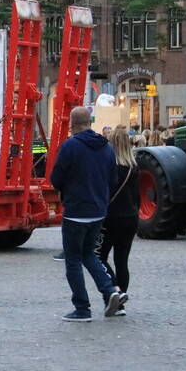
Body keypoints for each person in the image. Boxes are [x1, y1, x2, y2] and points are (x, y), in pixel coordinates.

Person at [49, 107, 126, 322]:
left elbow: (56, 179)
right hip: (98, 210)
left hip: (75, 211)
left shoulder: (70, 146)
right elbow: (113, 180)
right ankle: (110, 290)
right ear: (90, 122)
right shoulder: (107, 147)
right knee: (89, 255)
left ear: (72, 123)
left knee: (73, 259)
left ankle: (82, 308)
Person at [98, 127, 140, 316]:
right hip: (130, 218)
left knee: (99, 257)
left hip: (110, 217)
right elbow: (137, 196)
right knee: (122, 261)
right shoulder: (134, 167)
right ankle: (120, 305)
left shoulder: (108, 166)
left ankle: (114, 292)